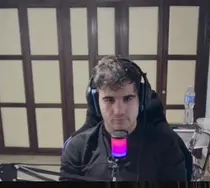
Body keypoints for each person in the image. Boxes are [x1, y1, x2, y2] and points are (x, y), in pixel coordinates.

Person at [60, 56, 192, 181]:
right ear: (96, 102)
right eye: (109, 100)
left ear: (141, 100)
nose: (119, 111)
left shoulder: (166, 146)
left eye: (128, 99)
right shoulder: (77, 149)